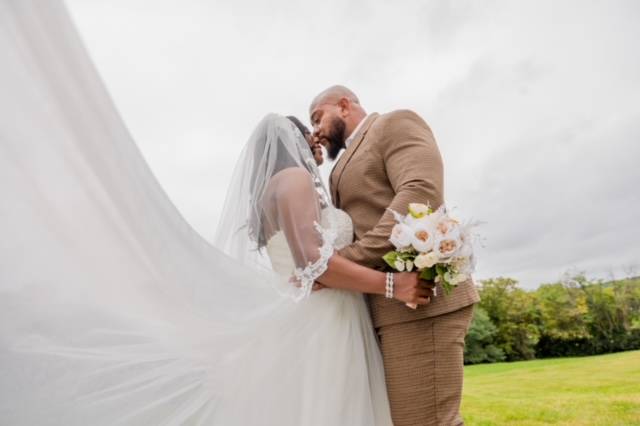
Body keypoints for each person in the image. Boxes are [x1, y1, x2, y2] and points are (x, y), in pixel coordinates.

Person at [0, 2, 432, 424]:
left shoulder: (272, 194)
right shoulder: (296, 183)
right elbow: (315, 264)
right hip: (327, 321)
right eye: (311, 130)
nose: (317, 138)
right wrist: (392, 284)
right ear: (294, 141)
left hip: (324, 313)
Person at [310, 85, 481, 426]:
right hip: (380, 307)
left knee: (426, 421)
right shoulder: (338, 167)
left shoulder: (393, 124)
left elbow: (420, 192)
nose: (315, 130)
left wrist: (344, 263)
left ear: (344, 105)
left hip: (419, 302)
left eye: (318, 117)